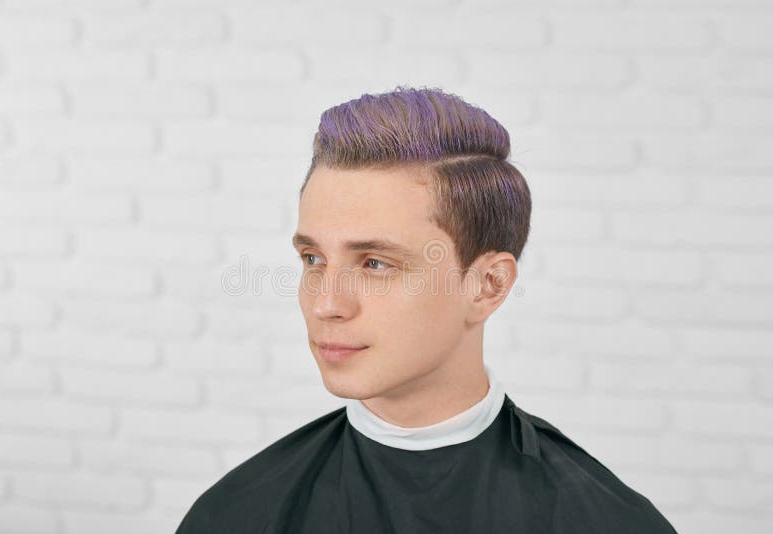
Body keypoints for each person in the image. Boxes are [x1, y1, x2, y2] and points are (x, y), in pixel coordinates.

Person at [174, 86, 678, 533]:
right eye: (313, 258)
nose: (326, 303)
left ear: (487, 285)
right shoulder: (234, 514)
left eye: (374, 263)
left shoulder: (605, 521)